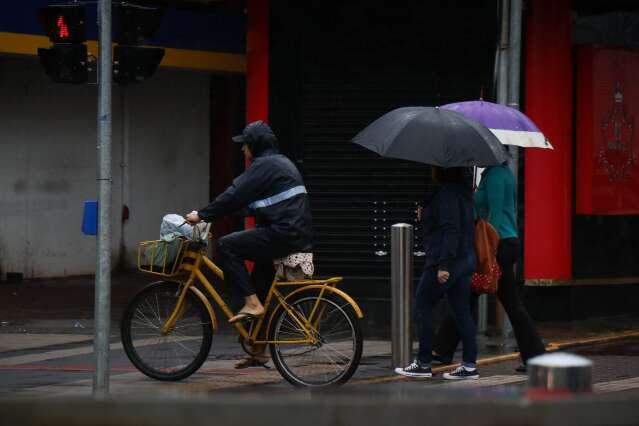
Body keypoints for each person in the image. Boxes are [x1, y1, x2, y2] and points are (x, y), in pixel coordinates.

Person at [186, 120, 313, 326]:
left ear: (256, 144)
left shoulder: (264, 165)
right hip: (293, 231)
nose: (243, 148)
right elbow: (253, 204)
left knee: (227, 245)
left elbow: (234, 195)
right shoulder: (279, 162)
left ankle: (252, 304)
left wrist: (201, 215)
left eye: (245, 144)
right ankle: (257, 350)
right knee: (259, 286)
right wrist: (222, 213)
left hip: (283, 232)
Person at [431, 162, 546, 372]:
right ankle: (442, 349)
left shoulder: (495, 176)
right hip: (503, 243)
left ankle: (442, 349)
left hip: (495, 245)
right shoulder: (500, 174)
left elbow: (495, 216)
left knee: (477, 296)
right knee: (475, 296)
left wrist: (488, 252)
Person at [395, 166, 479, 380]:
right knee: (462, 310)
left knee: (423, 305)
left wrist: (443, 265)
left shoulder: (446, 193)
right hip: (465, 258)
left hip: (446, 260)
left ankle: (423, 363)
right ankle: (469, 366)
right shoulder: (463, 191)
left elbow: (450, 229)